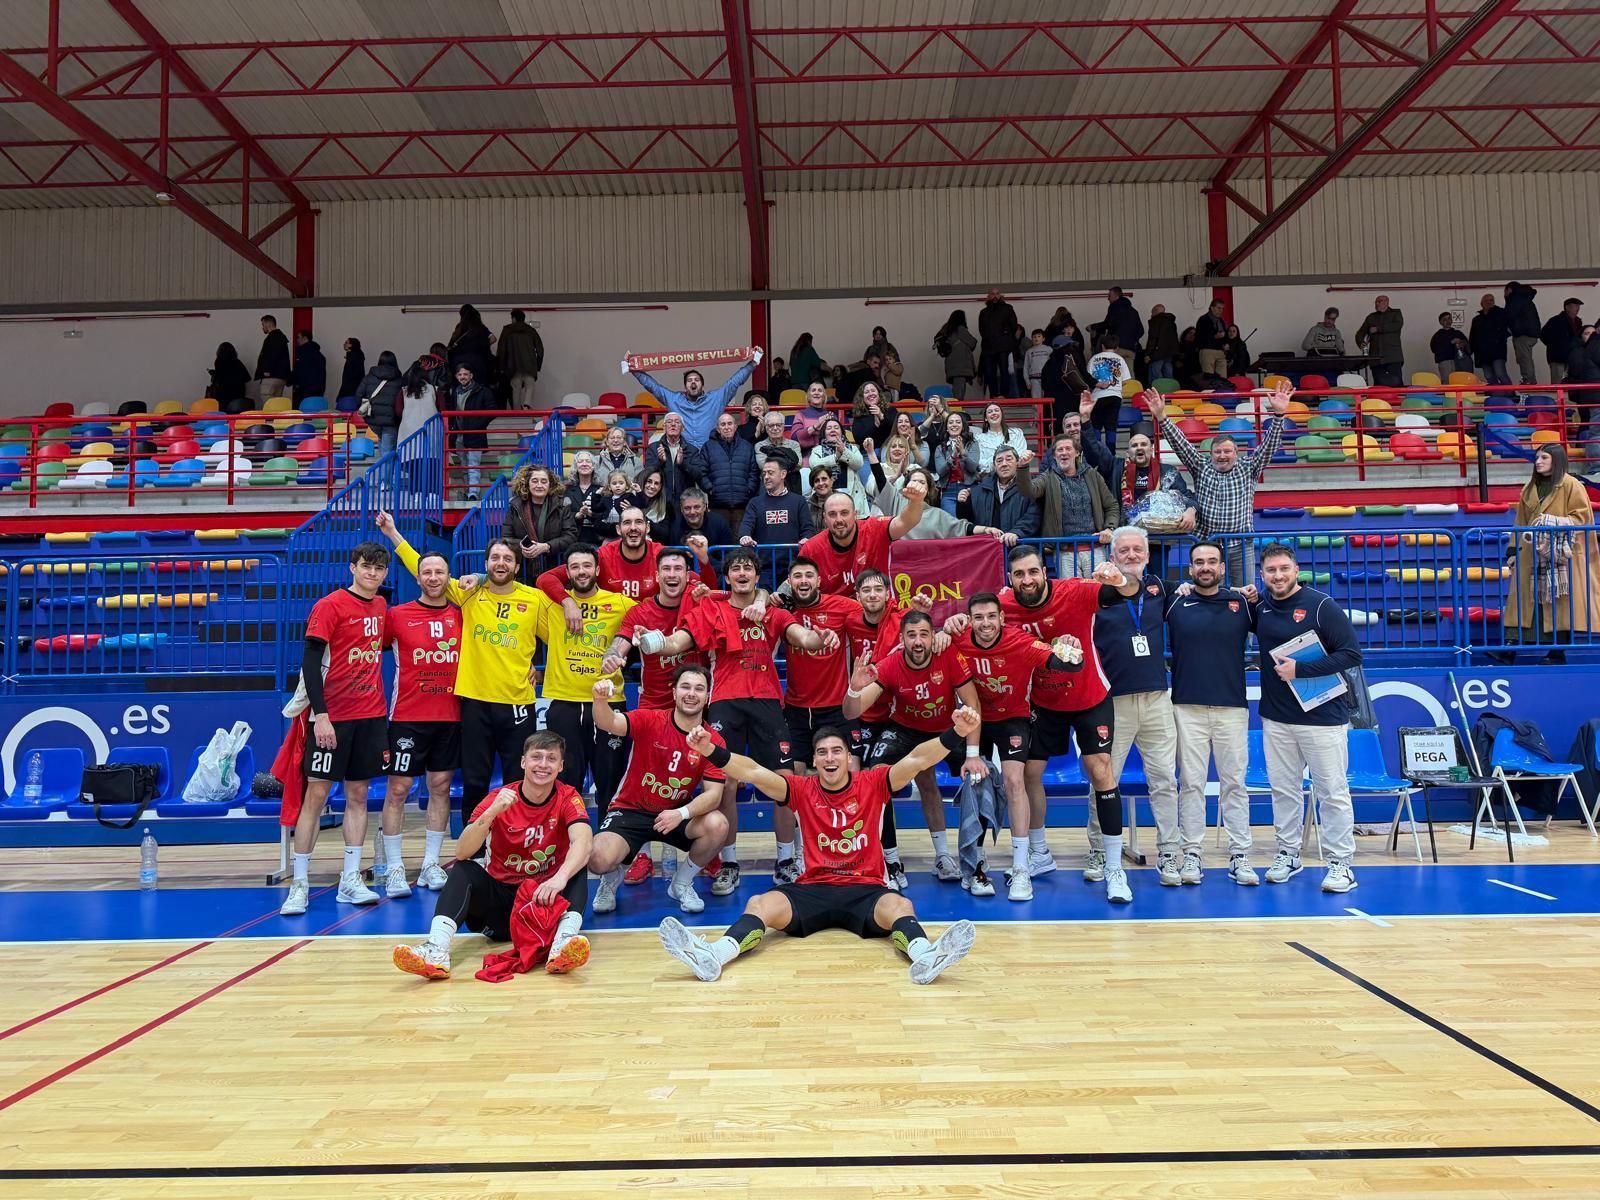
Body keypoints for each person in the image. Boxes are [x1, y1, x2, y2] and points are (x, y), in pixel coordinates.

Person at [658, 716, 980, 985]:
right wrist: (710, 749)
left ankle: (925, 957)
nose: (830, 758)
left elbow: (917, 759)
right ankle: (714, 956)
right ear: (813, 760)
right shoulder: (799, 788)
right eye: (822, 752)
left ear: (848, 757)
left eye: (836, 751)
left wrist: (957, 734)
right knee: (760, 904)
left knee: (900, 905)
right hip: (812, 888)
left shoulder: (874, 782)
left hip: (865, 888)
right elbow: (753, 771)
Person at [633, 549, 837, 895]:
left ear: (757, 578)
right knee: (726, 784)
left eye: (748, 569)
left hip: (769, 703)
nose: (742, 573)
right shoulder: (710, 610)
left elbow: (804, 638)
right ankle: (729, 863)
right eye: (736, 569)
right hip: (726, 703)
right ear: (727, 578)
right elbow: (676, 643)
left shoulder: (772, 612)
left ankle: (786, 859)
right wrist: (650, 641)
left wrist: (823, 638)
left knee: (785, 783)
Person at [377, 512, 554, 826]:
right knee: (475, 781)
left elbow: (559, 641)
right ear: (486, 564)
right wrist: (393, 534)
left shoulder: (535, 599)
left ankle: (513, 845)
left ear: (516, 565)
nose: (501, 563)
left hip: (518, 704)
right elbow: (425, 569)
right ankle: (473, 851)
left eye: (507, 559)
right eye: (495, 558)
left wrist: (541, 670)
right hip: (474, 704)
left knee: (518, 780)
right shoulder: (470, 592)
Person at [996, 546, 1142, 902]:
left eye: (1033, 572)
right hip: (1043, 702)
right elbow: (973, 620)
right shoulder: (1004, 606)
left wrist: (1119, 577)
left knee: (1100, 769)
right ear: (1010, 579)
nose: (1027, 580)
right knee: (1030, 773)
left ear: (1045, 572)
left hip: (1089, 696)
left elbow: (1131, 591)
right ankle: (1040, 854)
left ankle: (1113, 868)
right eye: (1019, 574)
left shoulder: (1074, 591)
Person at [391, 732, 591, 981]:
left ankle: (563, 944)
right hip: (501, 907)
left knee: (576, 864)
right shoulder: (498, 798)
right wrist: (494, 812)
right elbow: (462, 851)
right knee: (463, 869)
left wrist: (559, 879)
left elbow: (583, 840)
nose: (543, 764)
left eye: (551, 759)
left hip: (544, 903)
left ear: (560, 766)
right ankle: (436, 950)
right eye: (536, 757)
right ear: (523, 762)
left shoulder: (568, 796)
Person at [280, 541, 392, 916]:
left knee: (358, 795)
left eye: (379, 568)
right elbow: (311, 664)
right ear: (352, 567)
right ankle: (299, 883)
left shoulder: (381, 606)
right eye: (366, 567)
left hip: (371, 714)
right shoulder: (329, 606)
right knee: (317, 795)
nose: (372, 573)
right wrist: (321, 715)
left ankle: (350, 879)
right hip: (332, 717)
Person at [844, 610, 987, 889]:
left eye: (923, 634)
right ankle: (891, 861)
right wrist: (853, 689)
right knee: (877, 778)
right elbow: (852, 712)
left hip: (948, 727)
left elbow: (973, 704)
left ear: (933, 637)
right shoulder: (890, 663)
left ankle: (971, 861)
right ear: (902, 639)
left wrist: (972, 756)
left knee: (979, 777)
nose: (918, 641)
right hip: (905, 729)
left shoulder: (948, 655)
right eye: (911, 635)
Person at [954, 593, 1083, 901]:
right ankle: (976, 863)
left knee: (1014, 780)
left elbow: (1062, 662)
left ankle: (1022, 868)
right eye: (978, 617)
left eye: (991, 616)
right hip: (976, 719)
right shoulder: (958, 639)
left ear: (1001, 618)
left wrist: (1071, 652)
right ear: (970, 620)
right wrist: (945, 630)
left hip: (1014, 718)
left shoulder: (1019, 641)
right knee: (976, 781)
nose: (985, 623)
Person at [1251, 542, 1363, 893]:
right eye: (1271, 570)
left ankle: (1340, 862)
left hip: (1323, 717)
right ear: (1262, 574)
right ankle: (1288, 853)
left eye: (1284, 568)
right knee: (1284, 791)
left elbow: (1351, 654)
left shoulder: (1321, 606)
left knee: (1331, 792)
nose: (1278, 575)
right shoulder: (1261, 607)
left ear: (1296, 570)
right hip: (1276, 717)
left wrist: (1302, 670)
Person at [585, 669, 731, 915]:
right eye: (685, 687)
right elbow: (608, 722)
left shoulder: (713, 741)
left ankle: (681, 884)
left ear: (708, 696)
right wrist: (600, 700)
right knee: (597, 858)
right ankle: (610, 879)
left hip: (674, 816)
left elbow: (714, 795)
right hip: (630, 810)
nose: (691, 694)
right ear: (674, 692)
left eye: (699, 688)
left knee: (718, 824)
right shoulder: (651, 720)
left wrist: (681, 814)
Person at [608, 548, 714, 884]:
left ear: (687, 575)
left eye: (678, 569)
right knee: (641, 782)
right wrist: (613, 657)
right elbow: (621, 643)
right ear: (656, 576)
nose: (671, 575)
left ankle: (696, 852)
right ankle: (639, 854)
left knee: (697, 777)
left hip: (694, 703)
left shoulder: (698, 603)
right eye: (665, 569)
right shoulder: (640, 612)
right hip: (653, 706)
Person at [1090, 527, 1186, 886]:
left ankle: (1169, 854)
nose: (1131, 555)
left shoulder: (1161, 588)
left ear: (1147, 555)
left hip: (1157, 699)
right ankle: (1099, 850)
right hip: (1112, 701)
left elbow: (1203, 593)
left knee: (1164, 780)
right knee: (1104, 779)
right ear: (1112, 556)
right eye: (1124, 550)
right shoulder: (1097, 591)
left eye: (1137, 550)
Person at [1166, 541, 1259, 885]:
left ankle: (1240, 855)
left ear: (1222, 568)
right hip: (1186, 707)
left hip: (1231, 709)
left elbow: (1277, 622)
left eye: (1212, 562)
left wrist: (1256, 595)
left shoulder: (1243, 604)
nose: (1205, 567)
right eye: (1199, 562)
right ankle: (1191, 854)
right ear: (1191, 569)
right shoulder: (1176, 600)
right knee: (1190, 783)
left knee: (1234, 784)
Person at [376, 550, 462, 898]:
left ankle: (430, 863)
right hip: (407, 716)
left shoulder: (463, 614)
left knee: (440, 787)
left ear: (448, 577)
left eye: (439, 571)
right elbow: (367, 650)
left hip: (450, 715)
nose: (433, 577)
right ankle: (395, 867)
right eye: (426, 572)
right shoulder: (396, 616)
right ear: (418, 578)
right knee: (398, 790)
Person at [1146, 382, 1291, 586]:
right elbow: (1181, 444)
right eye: (1218, 452)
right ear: (1211, 453)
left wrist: (1278, 416)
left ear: (1236, 453)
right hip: (1207, 544)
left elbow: (1269, 446)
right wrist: (1162, 417)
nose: (1222, 456)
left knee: (1246, 593)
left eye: (1227, 451)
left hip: (1241, 545)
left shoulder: (1249, 467)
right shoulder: (1200, 466)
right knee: (1208, 595)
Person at [774, 556, 864, 881]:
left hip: (836, 709)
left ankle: (854, 854)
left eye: (808, 575)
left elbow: (878, 613)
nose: (803, 580)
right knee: (786, 784)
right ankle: (787, 859)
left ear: (818, 580)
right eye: (796, 575)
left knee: (852, 779)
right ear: (790, 581)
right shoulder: (783, 613)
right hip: (796, 711)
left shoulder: (842, 606)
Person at [1493, 444, 1599, 665]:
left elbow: (1582, 519)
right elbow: (1520, 522)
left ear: (1557, 460)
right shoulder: (1529, 487)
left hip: (1559, 556)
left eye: (1544, 457)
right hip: (1529, 554)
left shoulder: (1572, 486)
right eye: (1537, 457)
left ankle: (1556, 653)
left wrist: (1553, 522)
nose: (1538, 461)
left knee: (1557, 605)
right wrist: (1512, 551)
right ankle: (1509, 649)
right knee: (1522, 602)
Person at [538, 505, 717, 610]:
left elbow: (707, 588)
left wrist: (704, 560)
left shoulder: (662, 555)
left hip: (652, 627)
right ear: (618, 530)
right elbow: (546, 579)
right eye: (627, 523)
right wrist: (568, 602)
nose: (633, 528)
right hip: (612, 629)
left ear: (647, 528)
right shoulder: (603, 555)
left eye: (638, 522)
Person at [798, 476, 928, 596]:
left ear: (855, 515)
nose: (839, 520)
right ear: (825, 518)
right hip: (834, 617)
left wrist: (916, 502)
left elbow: (905, 521)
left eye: (844, 513)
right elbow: (795, 580)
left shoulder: (874, 528)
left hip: (875, 611)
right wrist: (779, 595)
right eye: (832, 514)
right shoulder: (811, 548)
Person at [626, 351, 760, 448]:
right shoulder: (674, 399)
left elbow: (734, 382)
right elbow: (653, 387)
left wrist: (753, 363)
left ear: (702, 384)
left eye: (697, 380)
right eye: (689, 380)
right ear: (685, 386)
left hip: (711, 453)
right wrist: (633, 369)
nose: (693, 382)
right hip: (684, 454)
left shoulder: (716, 398)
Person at [501, 465, 576, 583]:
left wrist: (547, 547)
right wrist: (521, 547)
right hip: (523, 571)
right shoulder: (515, 506)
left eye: (544, 481)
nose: (539, 485)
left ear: (550, 484)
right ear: (527, 484)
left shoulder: (562, 505)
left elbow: (570, 536)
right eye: (535, 481)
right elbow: (506, 537)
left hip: (553, 568)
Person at [442, 361, 500, 500]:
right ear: (456, 376)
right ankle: (468, 491)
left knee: (473, 464)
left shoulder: (482, 390)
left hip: (475, 434)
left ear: (471, 375)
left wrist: (479, 424)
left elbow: (492, 410)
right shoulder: (455, 391)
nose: (463, 377)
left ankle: (473, 493)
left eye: (465, 374)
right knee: (464, 466)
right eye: (460, 374)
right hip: (459, 435)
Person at [965, 445, 1040, 540]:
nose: (1004, 464)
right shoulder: (980, 490)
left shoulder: (1031, 486)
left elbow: (1033, 516)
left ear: (1017, 463)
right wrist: (963, 504)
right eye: (999, 461)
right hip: (990, 547)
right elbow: (968, 523)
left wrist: (1016, 532)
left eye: (1009, 459)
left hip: (1020, 545)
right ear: (994, 466)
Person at [702, 410, 759, 528]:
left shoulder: (747, 446)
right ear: (718, 429)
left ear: (735, 427)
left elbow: (754, 472)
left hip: (742, 505)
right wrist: (710, 489)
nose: (727, 427)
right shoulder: (708, 447)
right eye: (723, 424)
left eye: (729, 423)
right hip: (717, 505)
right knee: (719, 543)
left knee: (740, 542)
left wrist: (748, 490)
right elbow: (701, 471)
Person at [740, 456, 814, 547]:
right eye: (764, 473)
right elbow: (746, 525)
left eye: (770, 473)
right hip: (763, 559)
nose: (766, 477)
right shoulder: (755, 503)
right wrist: (745, 536)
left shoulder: (799, 501)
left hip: (793, 559)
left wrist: (806, 538)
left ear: (783, 474)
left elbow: (808, 529)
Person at [646, 411, 709, 504]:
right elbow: (646, 473)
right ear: (664, 427)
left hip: (685, 501)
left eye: (677, 422)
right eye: (669, 422)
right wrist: (660, 462)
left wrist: (683, 464)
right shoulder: (653, 448)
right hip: (660, 500)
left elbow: (698, 475)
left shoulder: (692, 450)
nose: (673, 424)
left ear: (682, 428)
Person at [355, 350, 405, 458]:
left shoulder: (370, 376)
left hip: (373, 419)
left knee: (383, 446)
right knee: (387, 453)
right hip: (391, 421)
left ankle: (383, 473)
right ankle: (385, 475)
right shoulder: (399, 379)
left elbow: (358, 395)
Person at [1086, 337, 1131, 449]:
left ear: (1102, 346)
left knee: (1096, 425)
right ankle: (1111, 453)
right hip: (1115, 396)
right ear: (1116, 347)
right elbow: (1126, 380)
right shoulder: (1120, 359)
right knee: (1111, 425)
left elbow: (1088, 378)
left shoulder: (1094, 359)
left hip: (1097, 396)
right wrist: (1116, 385)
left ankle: (1097, 451)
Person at [930, 410, 978, 515]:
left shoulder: (972, 444)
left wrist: (963, 452)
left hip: (969, 489)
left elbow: (973, 468)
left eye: (958, 422)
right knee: (952, 526)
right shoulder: (940, 448)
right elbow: (941, 471)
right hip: (949, 492)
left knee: (970, 526)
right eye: (951, 422)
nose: (954, 425)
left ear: (963, 426)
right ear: (946, 427)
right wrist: (953, 456)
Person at [496, 309, 545, 409]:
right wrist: (537, 366)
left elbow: (501, 350)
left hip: (513, 366)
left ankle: (517, 412)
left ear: (513, 318)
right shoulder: (531, 330)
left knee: (516, 389)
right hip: (529, 365)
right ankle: (527, 404)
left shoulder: (507, 330)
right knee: (530, 386)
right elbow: (540, 350)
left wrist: (501, 367)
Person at [978, 288, 1020, 399]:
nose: (995, 296)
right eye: (992, 294)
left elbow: (1014, 325)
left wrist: (1007, 338)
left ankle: (1003, 394)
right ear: (988, 297)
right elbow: (982, 330)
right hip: (989, 347)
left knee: (1004, 371)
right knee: (989, 373)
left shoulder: (1007, 308)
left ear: (1000, 296)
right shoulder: (983, 312)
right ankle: (994, 395)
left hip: (1003, 346)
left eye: (997, 294)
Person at [1356, 295, 1405, 387]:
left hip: (1393, 356)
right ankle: (1379, 401)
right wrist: (1361, 342)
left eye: (1379, 301)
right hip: (1375, 357)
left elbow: (1397, 325)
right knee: (1379, 384)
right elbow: (1360, 333)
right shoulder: (1371, 317)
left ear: (1387, 302)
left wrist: (1378, 329)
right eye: (1376, 302)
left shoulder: (1396, 313)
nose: (1376, 304)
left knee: (1396, 383)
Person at [396, 352, 442, 448]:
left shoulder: (403, 391)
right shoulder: (435, 389)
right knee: (431, 457)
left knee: (410, 457)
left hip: (408, 432)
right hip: (431, 430)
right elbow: (443, 410)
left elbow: (399, 412)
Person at [664, 486, 734, 548]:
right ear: (681, 510)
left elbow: (728, 557)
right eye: (687, 508)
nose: (692, 512)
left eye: (697, 507)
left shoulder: (720, 524)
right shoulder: (674, 527)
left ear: (704, 507)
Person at [971, 401, 1030, 474]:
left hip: (1015, 476)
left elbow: (1021, 455)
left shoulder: (1016, 433)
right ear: (986, 418)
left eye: (996, 410)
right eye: (990, 412)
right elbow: (979, 463)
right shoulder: (978, 439)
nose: (994, 413)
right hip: (990, 477)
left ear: (1001, 414)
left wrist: (999, 460)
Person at [1470, 292, 1513, 388]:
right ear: (1481, 303)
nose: (1489, 302)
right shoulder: (1477, 319)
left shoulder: (1501, 313)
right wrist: (1470, 350)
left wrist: (1501, 337)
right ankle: (1498, 394)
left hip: (1497, 350)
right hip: (1482, 353)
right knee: (1488, 376)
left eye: (1491, 300)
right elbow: (1473, 336)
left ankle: (1511, 394)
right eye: (1486, 300)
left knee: (1500, 373)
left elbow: (1510, 328)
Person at [935, 309, 979, 399]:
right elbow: (972, 342)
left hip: (951, 365)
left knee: (956, 389)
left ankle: (957, 407)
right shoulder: (960, 329)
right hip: (961, 366)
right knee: (959, 393)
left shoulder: (946, 330)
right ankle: (958, 410)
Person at [1541, 297, 1585, 386]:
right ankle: (1557, 399)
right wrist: (1555, 346)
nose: (1577, 309)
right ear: (1567, 307)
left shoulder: (1578, 322)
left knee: (1571, 381)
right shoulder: (1555, 321)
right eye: (1575, 306)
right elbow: (1543, 335)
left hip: (1572, 356)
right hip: (1557, 356)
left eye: (1578, 307)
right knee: (1557, 381)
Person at [1505, 281, 1543, 386]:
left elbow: (1510, 316)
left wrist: (1509, 329)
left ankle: (1529, 380)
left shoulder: (1515, 299)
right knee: (1526, 357)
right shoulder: (1526, 298)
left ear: (1509, 290)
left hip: (1522, 333)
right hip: (1531, 332)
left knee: (1524, 358)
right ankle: (1530, 379)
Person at [565, 451, 606, 545]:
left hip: (597, 540)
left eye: (588, 461)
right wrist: (577, 515)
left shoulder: (602, 490)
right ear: (575, 467)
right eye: (580, 461)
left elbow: (606, 516)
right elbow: (561, 515)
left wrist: (591, 514)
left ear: (594, 466)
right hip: (573, 540)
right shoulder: (567, 491)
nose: (584, 464)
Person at [446, 303, 494, 381]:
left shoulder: (459, 327)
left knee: (460, 386)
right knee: (479, 386)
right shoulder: (480, 327)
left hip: (459, 361)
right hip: (478, 361)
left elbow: (451, 345)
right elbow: (493, 339)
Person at [1097, 286, 1144, 366]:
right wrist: (1132, 341)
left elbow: (1108, 323)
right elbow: (1141, 330)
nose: (1108, 298)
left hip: (1116, 347)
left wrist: (1094, 327)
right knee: (1129, 374)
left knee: (1114, 373)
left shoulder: (1114, 307)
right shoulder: (1133, 311)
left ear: (1116, 296)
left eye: (1109, 296)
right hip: (1130, 349)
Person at [252, 314, 291, 402]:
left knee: (268, 403)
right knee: (277, 404)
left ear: (267, 323)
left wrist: (267, 370)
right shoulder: (281, 337)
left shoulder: (272, 338)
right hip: (281, 377)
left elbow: (272, 355)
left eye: (263, 325)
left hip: (270, 377)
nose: (262, 327)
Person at [851, 381, 895, 450]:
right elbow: (858, 439)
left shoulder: (890, 410)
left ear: (879, 393)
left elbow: (895, 431)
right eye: (866, 392)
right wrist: (875, 426)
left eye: (873, 391)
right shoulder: (859, 415)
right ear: (862, 397)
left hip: (890, 450)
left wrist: (881, 417)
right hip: (867, 453)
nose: (870, 394)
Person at [207, 342, 250, 410]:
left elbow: (219, 377)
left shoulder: (219, 362)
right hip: (238, 395)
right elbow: (247, 378)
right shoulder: (237, 362)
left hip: (223, 395)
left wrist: (213, 373)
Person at [1196, 299, 1229, 381]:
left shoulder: (1221, 321)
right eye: (1218, 308)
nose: (1221, 310)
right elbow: (1200, 336)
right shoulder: (1203, 319)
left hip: (1220, 350)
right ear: (1212, 308)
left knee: (1222, 377)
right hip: (1207, 350)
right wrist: (1214, 336)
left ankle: (1221, 391)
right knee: (1209, 376)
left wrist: (1225, 343)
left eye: (1222, 308)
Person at [1431, 313, 1471, 380]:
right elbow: (1434, 349)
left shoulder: (1458, 333)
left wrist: (1461, 343)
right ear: (1440, 322)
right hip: (1445, 362)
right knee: (1447, 382)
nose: (1448, 321)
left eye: (1449, 318)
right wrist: (1450, 343)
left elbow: (1468, 345)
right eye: (1445, 319)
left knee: (1461, 381)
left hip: (1460, 361)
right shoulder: (1438, 335)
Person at [290, 331, 326, 403]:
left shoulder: (303, 353)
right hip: (318, 390)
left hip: (303, 390)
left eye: (298, 337)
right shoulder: (320, 355)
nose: (297, 340)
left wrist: (289, 380)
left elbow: (299, 371)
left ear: (305, 338)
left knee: (301, 411)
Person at [1146, 305, 1179, 381]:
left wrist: (1148, 354)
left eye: (1152, 312)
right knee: (1168, 374)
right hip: (1169, 353)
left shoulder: (1156, 321)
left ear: (1155, 311)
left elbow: (1153, 338)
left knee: (1156, 376)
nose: (1151, 315)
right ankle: (1170, 391)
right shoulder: (1171, 322)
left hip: (1157, 353)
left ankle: (1157, 391)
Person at [1023, 328, 1052, 399]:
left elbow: (1052, 365)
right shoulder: (1029, 351)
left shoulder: (1049, 349)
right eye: (1034, 337)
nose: (1036, 338)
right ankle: (1036, 410)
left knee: (1047, 397)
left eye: (1039, 336)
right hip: (1034, 379)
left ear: (1043, 338)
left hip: (1046, 378)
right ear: (1032, 339)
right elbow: (1026, 367)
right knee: (1036, 399)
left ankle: (1046, 410)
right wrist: (1027, 381)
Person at [338, 337, 365, 403]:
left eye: (347, 342)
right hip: (354, 391)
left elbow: (350, 377)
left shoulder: (353, 358)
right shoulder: (357, 356)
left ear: (352, 345)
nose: (344, 344)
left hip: (350, 393)